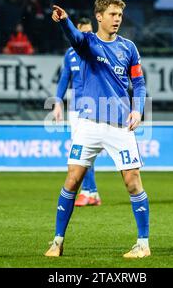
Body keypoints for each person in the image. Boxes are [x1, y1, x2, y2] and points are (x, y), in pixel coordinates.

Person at [45, 0, 149, 258]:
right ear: (99, 17)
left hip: (119, 126)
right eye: (113, 15)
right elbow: (74, 37)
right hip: (89, 124)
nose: (117, 20)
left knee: (133, 182)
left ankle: (143, 244)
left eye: (120, 15)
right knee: (72, 180)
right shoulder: (87, 44)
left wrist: (137, 110)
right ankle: (57, 242)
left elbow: (138, 83)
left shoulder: (129, 48)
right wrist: (64, 21)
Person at [53, 17, 101, 207]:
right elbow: (65, 78)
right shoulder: (70, 54)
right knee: (82, 151)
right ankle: (91, 193)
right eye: (84, 32)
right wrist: (57, 102)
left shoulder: (97, 50)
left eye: (91, 31)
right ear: (77, 33)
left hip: (95, 107)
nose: (88, 35)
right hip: (75, 109)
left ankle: (91, 192)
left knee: (82, 150)